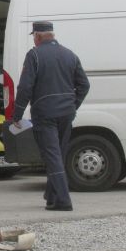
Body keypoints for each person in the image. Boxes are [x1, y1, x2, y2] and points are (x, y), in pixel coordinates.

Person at [12, 21, 90, 211]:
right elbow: (84, 85)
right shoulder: (70, 54)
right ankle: (51, 197)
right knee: (58, 154)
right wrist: (73, 105)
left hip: (45, 113)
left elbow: (25, 87)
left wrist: (17, 114)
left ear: (38, 36)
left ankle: (63, 200)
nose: (34, 40)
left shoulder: (34, 55)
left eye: (33, 37)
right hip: (66, 114)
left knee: (52, 156)